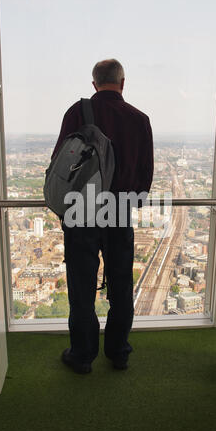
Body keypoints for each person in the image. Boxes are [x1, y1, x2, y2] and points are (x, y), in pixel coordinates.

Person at [51, 59, 154, 374]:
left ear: (94, 84)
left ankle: (82, 356)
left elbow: (60, 162)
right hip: (119, 209)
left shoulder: (77, 113)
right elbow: (144, 176)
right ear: (123, 82)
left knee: (81, 284)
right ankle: (118, 352)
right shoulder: (140, 119)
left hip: (81, 210)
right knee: (121, 284)